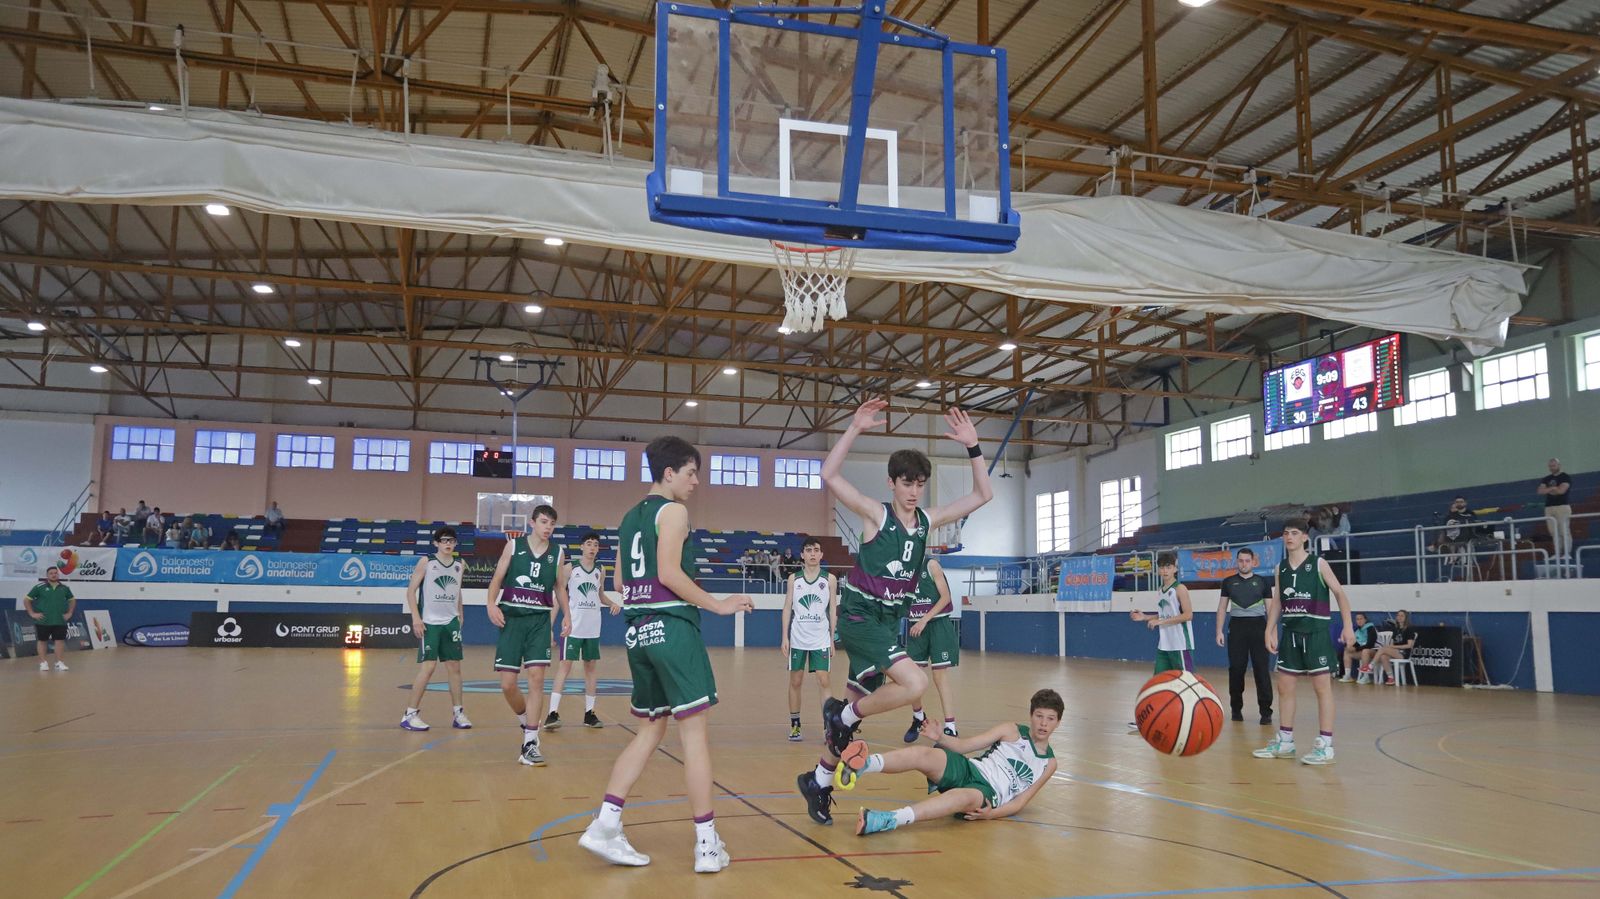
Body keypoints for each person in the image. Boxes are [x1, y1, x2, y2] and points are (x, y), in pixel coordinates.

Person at [798, 397, 993, 827]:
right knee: (915, 682)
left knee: (847, 725)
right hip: (859, 616)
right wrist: (854, 427)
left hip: (887, 623)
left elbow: (984, 494)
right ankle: (841, 714)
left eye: (919, 483)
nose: (913, 490)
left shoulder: (928, 521)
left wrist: (973, 446)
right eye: (907, 483)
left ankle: (818, 780)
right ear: (891, 483)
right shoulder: (875, 515)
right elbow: (828, 474)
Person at [577, 435, 754, 873]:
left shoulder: (628, 518)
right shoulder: (673, 511)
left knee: (650, 730)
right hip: (672, 628)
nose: (696, 481)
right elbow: (671, 574)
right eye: (691, 473)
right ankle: (707, 845)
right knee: (693, 736)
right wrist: (719, 605)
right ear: (669, 472)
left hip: (638, 632)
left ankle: (605, 824)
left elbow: (620, 581)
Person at [836, 688, 1062, 836]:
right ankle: (864, 764)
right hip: (971, 768)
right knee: (924, 754)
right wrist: (940, 738)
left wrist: (991, 814)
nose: (1043, 723)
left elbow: (1020, 802)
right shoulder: (1012, 730)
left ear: (1058, 722)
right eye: (1039, 716)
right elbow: (964, 746)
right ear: (1031, 715)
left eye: (1050, 719)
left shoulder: (1049, 764)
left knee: (962, 797)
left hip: (987, 793)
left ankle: (888, 820)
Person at [1254, 519, 1355, 766]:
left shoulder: (1318, 564)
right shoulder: (1280, 568)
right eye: (1286, 533)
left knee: (1322, 689)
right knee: (1284, 687)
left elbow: (1340, 593)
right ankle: (1286, 742)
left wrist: (1348, 626)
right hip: (1290, 633)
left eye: (1294, 533)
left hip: (1316, 633)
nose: (1289, 537)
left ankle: (1325, 745)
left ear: (1305, 537)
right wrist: (1269, 629)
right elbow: (1278, 601)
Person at [485, 504, 570, 767]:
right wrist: (491, 604)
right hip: (512, 620)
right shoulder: (513, 546)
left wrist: (567, 615)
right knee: (507, 684)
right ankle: (526, 721)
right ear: (532, 523)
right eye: (544, 522)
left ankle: (530, 742)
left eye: (552, 524)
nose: (548, 527)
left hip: (539, 621)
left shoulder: (557, 553)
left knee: (536, 679)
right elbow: (497, 578)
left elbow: (560, 588)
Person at [547, 532, 622, 730]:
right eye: (589, 544)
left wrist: (612, 603)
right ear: (581, 547)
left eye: (595, 544)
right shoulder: (570, 568)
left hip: (592, 627)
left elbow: (600, 595)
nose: (592, 547)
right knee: (564, 667)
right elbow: (558, 597)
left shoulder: (600, 570)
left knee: (591, 669)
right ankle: (552, 713)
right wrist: (550, 626)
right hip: (573, 626)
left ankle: (590, 713)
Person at [401, 527, 472, 732]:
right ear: (436, 543)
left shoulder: (460, 564)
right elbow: (411, 591)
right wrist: (416, 618)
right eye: (444, 540)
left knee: (455, 668)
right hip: (430, 622)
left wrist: (460, 614)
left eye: (452, 540)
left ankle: (458, 713)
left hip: (451, 622)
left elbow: (457, 590)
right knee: (429, 667)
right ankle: (410, 714)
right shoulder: (427, 562)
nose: (448, 544)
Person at [782, 537, 838, 743]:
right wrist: (784, 637)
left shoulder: (829, 579)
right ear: (802, 555)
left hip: (820, 638)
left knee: (824, 681)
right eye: (808, 550)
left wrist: (832, 638)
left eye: (816, 550)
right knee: (795, 681)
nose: (812, 554)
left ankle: (828, 727)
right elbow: (787, 607)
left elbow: (833, 610)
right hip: (798, 637)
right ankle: (795, 725)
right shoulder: (793, 579)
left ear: (821, 554)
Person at [903, 556, 959, 742]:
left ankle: (951, 727)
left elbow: (945, 597)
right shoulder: (901, 568)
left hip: (937, 624)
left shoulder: (931, 565)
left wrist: (924, 620)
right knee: (912, 678)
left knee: (939, 676)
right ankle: (918, 717)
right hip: (915, 626)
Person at [1215, 547, 1273, 725]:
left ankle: (1266, 712)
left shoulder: (1263, 582)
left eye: (1247, 561)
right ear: (1237, 562)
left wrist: (1272, 634)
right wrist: (1219, 631)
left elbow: (1271, 610)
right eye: (1241, 561)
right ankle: (1236, 709)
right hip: (1237, 628)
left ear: (1253, 562)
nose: (1244, 564)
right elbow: (1222, 608)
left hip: (1259, 627)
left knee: (1261, 670)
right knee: (1236, 670)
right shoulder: (1228, 582)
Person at [25, 566, 76, 672]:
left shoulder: (65, 588)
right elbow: (27, 600)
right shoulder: (39, 587)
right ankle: (43, 663)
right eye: (51, 573)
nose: (54, 575)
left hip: (59, 620)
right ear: (47, 575)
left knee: (59, 641)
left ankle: (59, 663)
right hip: (43, 620)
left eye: (55, 573)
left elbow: (72, 600)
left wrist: (70, 613)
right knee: (42, 641)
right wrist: (32, 613)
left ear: (58, 574)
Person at [1537, 458, 1572, 566]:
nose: (1552, 468)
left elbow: (1561, 491)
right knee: (1553, 532)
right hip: (1549, 507)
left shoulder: (1565, 477)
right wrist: (1553, 489)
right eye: (1550, 466)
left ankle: (1567, 553)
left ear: (1559, 465)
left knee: (1564, 530)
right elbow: (1540, 491)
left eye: (1554, 465)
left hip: (1562, 506)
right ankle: (1557, 553)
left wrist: (1549, 489)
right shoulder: (1546, 478)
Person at [1369, 610, 1417, 685]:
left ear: (1406, 618)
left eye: (1402, 616)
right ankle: (1390, 677)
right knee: (1383, 656)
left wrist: (1393, 647)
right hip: (1395, 651)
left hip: (1404, 653)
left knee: (1382, 649)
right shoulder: (1395, 629)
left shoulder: (1409, 629)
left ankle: (1370, 666)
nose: (1399, 617)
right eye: (1398, 615)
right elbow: (1392, 643)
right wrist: (1391, 647)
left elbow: (1409, 645)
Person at [1339, 612, 1379, 684]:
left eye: (1361, 619)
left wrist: (1356, 649)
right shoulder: (1357, 631)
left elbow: (1370, 644)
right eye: (1357, 619)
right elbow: (1356, 643)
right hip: (1363, 652)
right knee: (1347, 652)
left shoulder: (1371, 628)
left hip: (1375, 652)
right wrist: (1348, 646)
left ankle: (1366, 677)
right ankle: (1348, 675)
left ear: (1365, 620)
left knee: (1365, 651)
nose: (1359, 621)